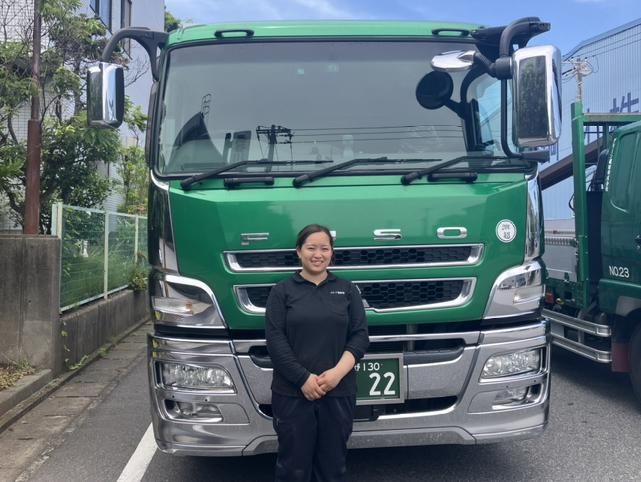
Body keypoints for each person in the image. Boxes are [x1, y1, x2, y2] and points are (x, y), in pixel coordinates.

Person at [265, 224, 369, 482]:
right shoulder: (282, 291)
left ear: (332, 253)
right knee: (293, 467)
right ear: (298, 251)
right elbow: (275, 340)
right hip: (292, 393)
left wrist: (336, 374)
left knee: (332, 466)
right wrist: (302, 379)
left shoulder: (347, 289)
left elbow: (360, 337)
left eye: (324, 249)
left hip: (338, 391)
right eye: (311, 248)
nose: (318, 254)